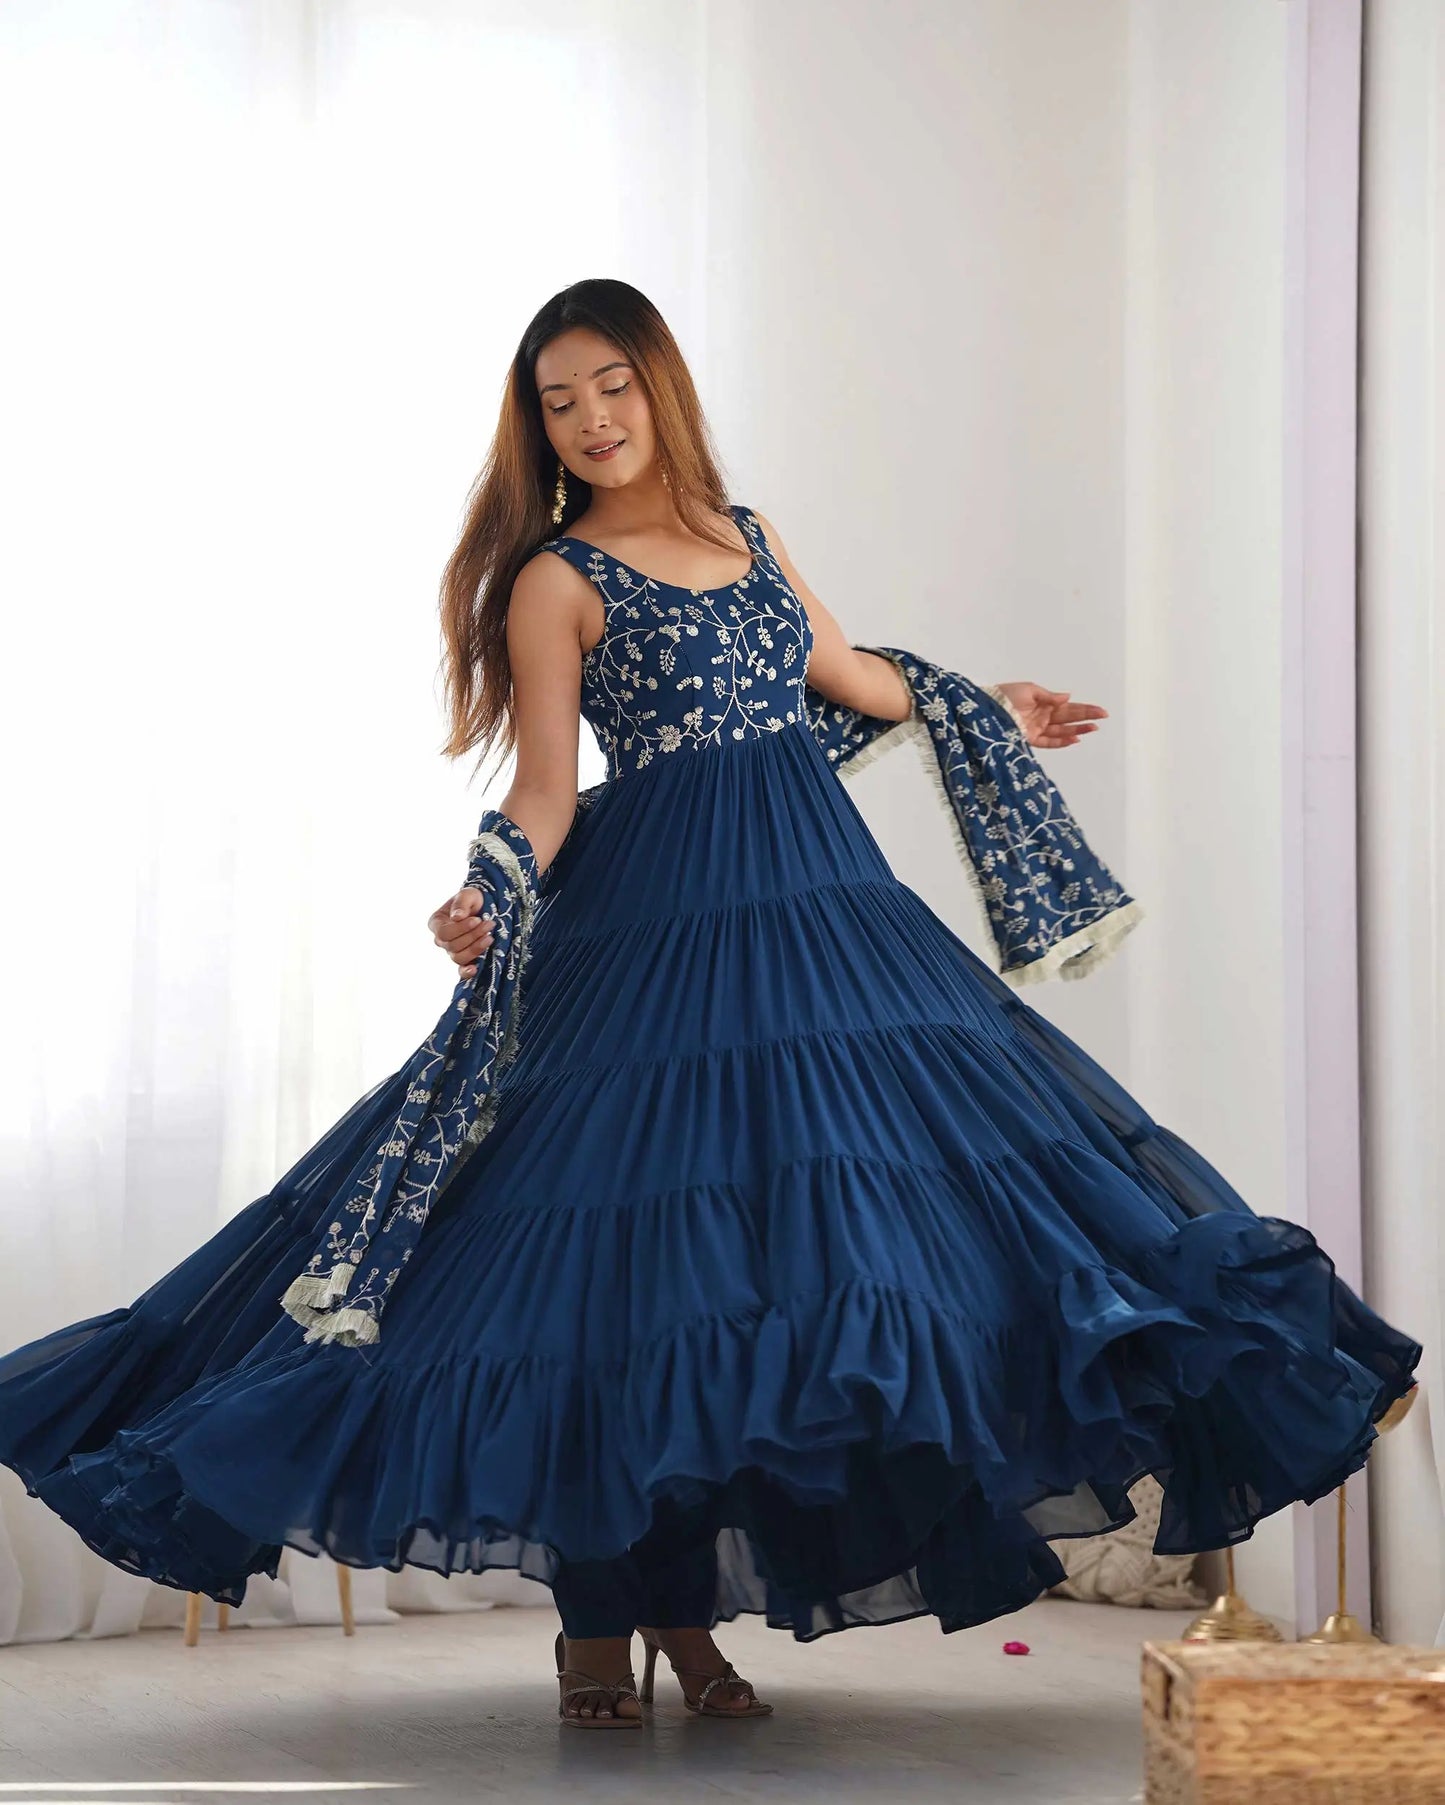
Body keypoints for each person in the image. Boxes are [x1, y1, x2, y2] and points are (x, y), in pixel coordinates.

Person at [0, 278, 1421, 1731]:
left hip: (820, 933)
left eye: (610, 385)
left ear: (659, 384)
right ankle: (603, 1630)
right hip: (650, 944)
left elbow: (846, 676)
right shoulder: (555, 579)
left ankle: (686, 1619)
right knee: (617, 1298)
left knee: (777, 1288)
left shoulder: (750, 536)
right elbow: (546, 788)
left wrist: (988, 707)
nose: (589, 418)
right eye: (558, 401)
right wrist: (488, 886)